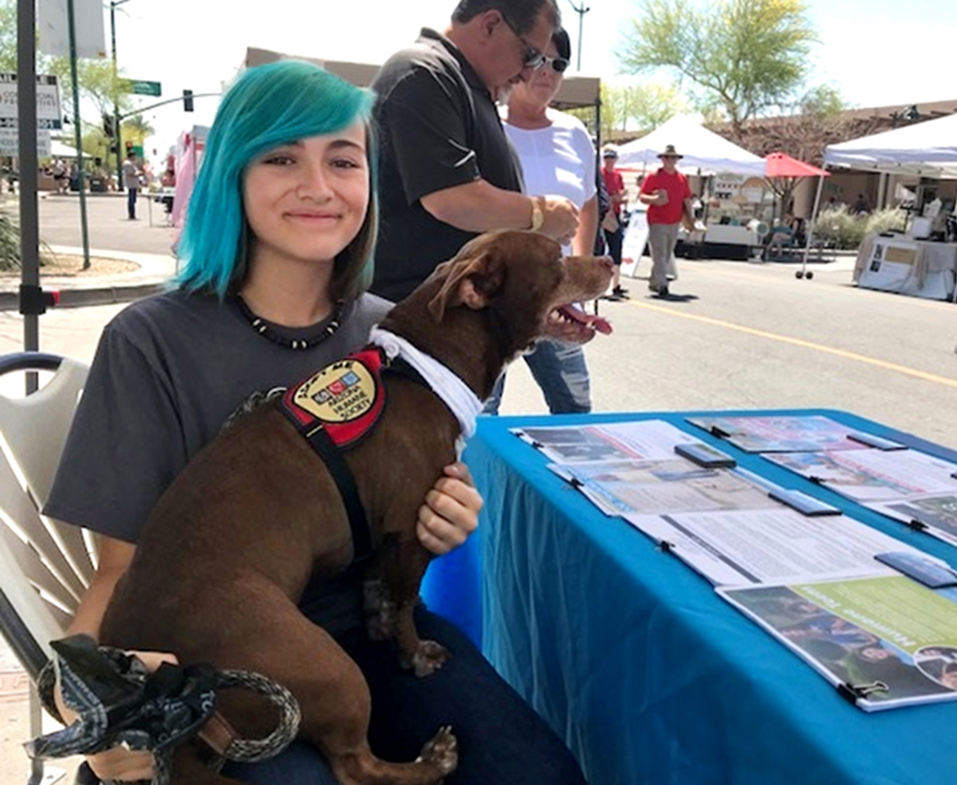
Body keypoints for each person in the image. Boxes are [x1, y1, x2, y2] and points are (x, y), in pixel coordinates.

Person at [44, 60, 585, 785]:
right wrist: (92, 701)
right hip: (227, 662)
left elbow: (404, 517)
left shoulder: (397, 336)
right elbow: (118, 575)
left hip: (366, 633)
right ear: (231, 173)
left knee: (536, 771)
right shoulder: (150, 343)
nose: (319, 186)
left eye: (343, 159)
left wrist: (443, 515)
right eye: (281, 158)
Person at [369, 0, 579, 303]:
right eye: (530, 55)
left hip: (449, 325)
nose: (527, 73)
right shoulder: (424, 73)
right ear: (490, 24)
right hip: (412, 323)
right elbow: (453, 199)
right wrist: (540, 214)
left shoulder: (460, 83)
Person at [483, 27, 597, 415]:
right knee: (478, 416)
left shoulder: (576, 133)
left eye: (558, 64)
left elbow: (589, 203)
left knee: (575, 409)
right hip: (493, 299)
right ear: (517, 62)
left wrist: (583, 281)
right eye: (537, 60)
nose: (547, 72)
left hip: (557, 293)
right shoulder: (485, 126)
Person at [638, 144, 693, 298]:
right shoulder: (654, 176)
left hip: (674, 221)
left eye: (673, 158)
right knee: (660, 252)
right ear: (662, 159)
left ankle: (655, 280)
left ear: (676, 160)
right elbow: (642, 197)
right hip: (657, 220)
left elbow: (686, 198)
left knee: (667, 253)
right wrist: (655, 199)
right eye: (667, 157)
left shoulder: (682, 178)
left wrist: (690, 218)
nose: (670, 160)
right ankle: (662, 284)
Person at [600, 144, 628, 300]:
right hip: (602, 215)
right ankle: (600, 284)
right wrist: (611, 198)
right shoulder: (599, 173)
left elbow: (621, 194)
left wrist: (620, 198)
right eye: (607, 158)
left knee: (616, 247)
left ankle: (615, 284)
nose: (609, 161)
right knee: (600, 248)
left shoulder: (618, 176)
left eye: (612, 158)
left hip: (614, 216)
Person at [121, 150, 141, 220]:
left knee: (134, 200)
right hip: (131, 184)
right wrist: (138, 174)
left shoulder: (132, 164)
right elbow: (130, 174)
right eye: (134, 156)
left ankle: (132, 213)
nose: (135, 158)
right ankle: (131, 214)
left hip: (134, 184)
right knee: (131, 200)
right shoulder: (127, 164)